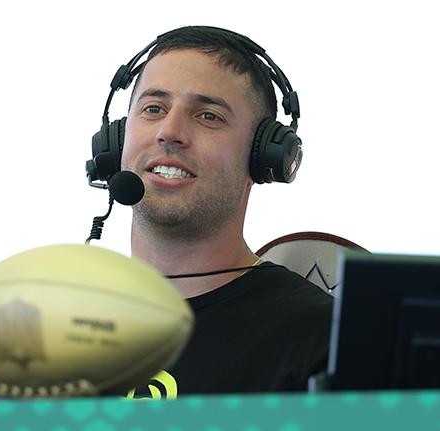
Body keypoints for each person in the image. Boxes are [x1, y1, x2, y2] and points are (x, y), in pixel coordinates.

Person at [119, 26, 333, 396]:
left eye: (208, 116)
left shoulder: (322, 341)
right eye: (154, 109)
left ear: (262, 158)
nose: (169, 132)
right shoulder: (49, 328)